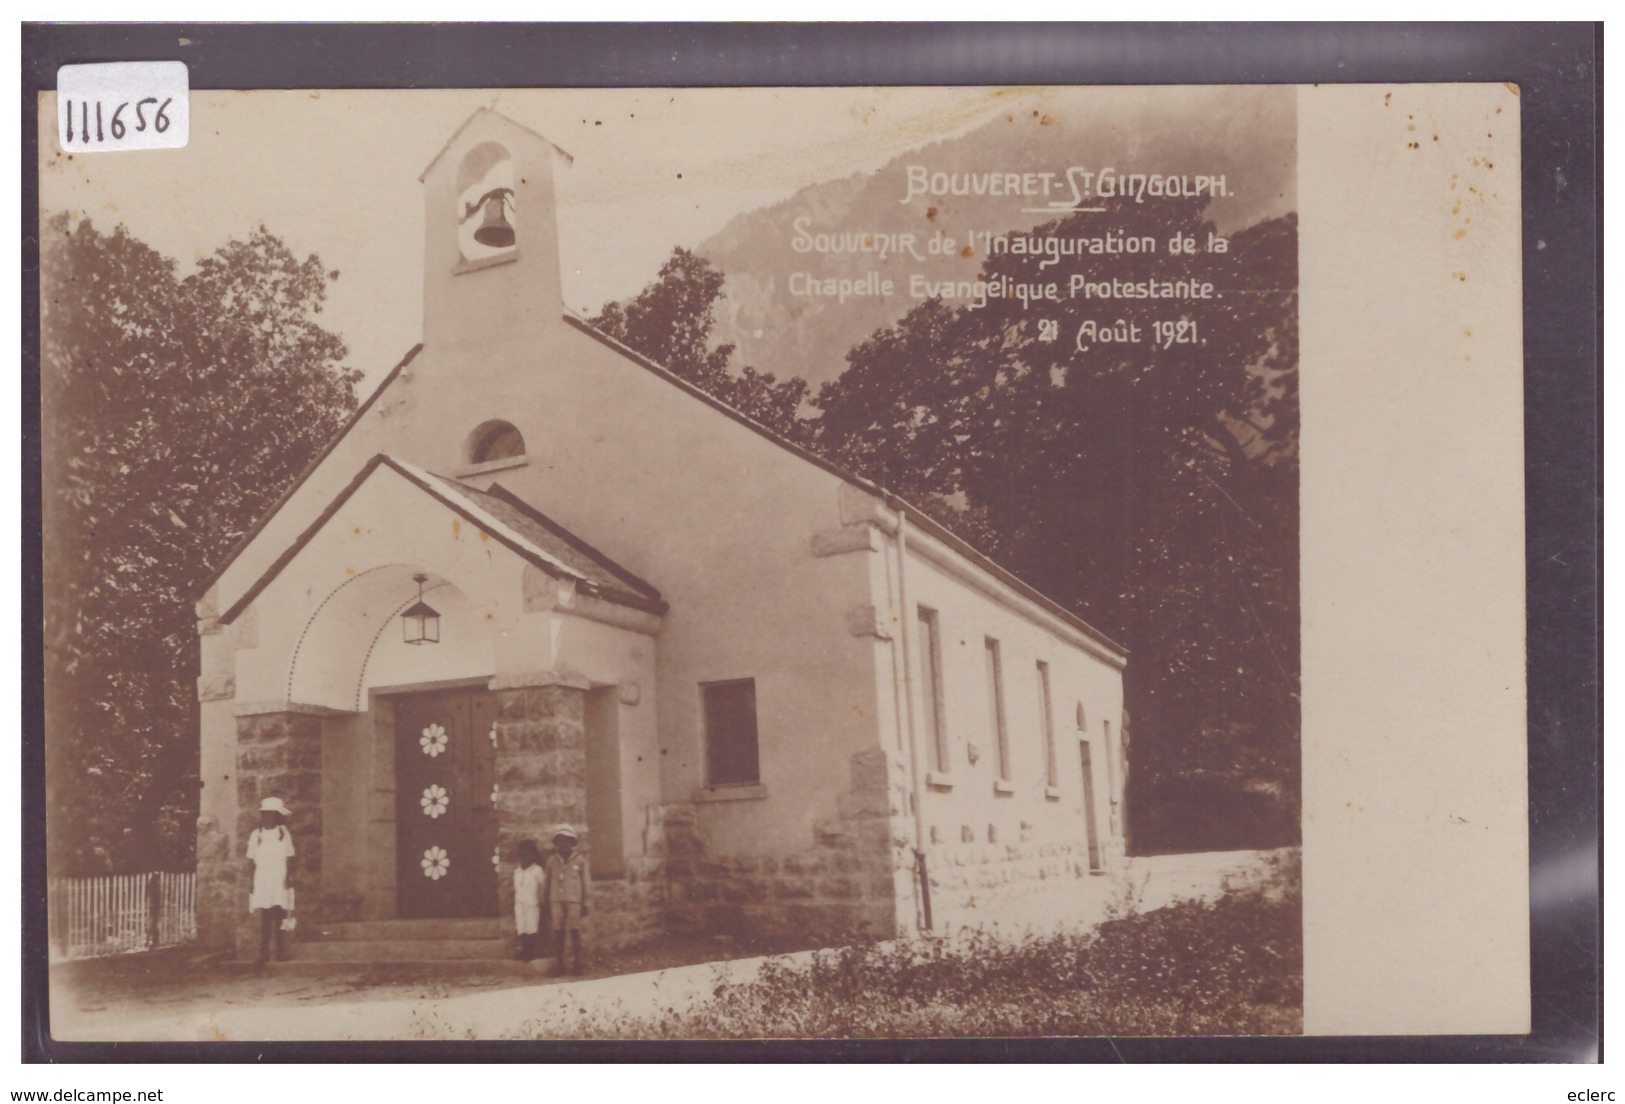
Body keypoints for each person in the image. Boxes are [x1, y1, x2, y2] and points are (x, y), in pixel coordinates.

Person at [245, 797, 296, 965]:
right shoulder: (256, 835)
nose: (269, 818)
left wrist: (288, 877)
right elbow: (251, 860)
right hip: (263, 878)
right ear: (263, 815)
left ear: (277, 816)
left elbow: (289, 857)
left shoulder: (283, 833)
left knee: (279, 915)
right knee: (265, 916)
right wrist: (251, 881)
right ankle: (263, 953)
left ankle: (280, 952)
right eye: (266, 814)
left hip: (278, 877)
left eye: (273, 814)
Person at [541, 824, 589, 976]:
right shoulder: (551, 861)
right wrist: (544, 899)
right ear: (556, 842)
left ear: (572, 843)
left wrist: (586, 902)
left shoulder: (580, 861)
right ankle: (560, 965)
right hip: (556, 900)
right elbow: (546, 881)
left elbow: (586, 882)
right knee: (558, 932)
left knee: (575, 931)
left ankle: (578, 965)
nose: (563, 844)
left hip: (574, 900)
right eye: (560, 840)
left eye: (567, 841)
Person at [512, 839, 546, 961]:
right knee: (521, 926)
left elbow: (543, 887)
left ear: (533, 855)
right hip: (519, 903)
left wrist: (542, 900)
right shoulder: (517, 872)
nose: (524, 858)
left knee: (531, 926)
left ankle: (531, 952)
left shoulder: (537, 870)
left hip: (532, 903)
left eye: (527, 854)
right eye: (521, 855)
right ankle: (524, 950)